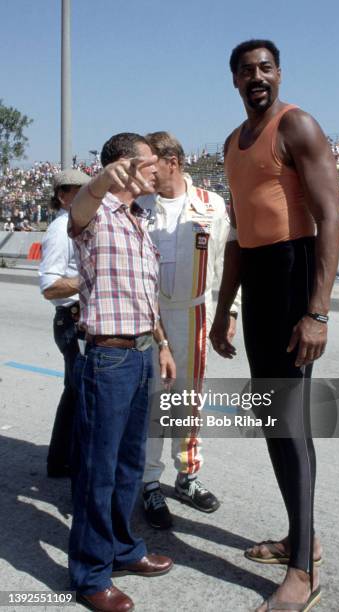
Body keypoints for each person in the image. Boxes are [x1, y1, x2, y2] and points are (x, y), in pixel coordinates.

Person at [210, 40, 339, 611]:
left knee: (290, 423)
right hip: (260, 280)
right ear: (234, 81)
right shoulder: (232, 144)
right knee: (273, 419)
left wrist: (316, 311)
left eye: (265, 68)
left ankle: (303, 571)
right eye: (246, 70)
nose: (256, 76)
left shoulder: (298, 126)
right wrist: (223, 309)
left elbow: (332, 216)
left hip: (295, 273)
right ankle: (300, 536)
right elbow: (239, 235)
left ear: (279, 74)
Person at [68, 133, 175, 612]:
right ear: (127, 167)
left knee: (130, 464)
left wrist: (164, 345)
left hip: (142, 354)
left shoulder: (138, 221)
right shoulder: (96, 216)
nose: (158, 170)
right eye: (151, 163)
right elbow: (80, 210)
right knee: (98, 471)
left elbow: (144, 295)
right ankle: (91, 575)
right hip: (108, 359)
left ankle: (124, 549)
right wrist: (99, 183)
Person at [137, 131, 239, 528]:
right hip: (151, 316)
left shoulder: (210, 205)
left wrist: (230, 313)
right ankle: (148, 482)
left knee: (189, 400)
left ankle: (188, 476)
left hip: (196, 314)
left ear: (173, 162)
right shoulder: (140, 207)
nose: (145, 172)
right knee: (153, 401)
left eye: (150, 164)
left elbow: (224, 265)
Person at [39, 169, 90, 478]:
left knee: (74, 391)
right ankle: (65, 461)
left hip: (77, 318)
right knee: (79, 391)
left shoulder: (75, 224)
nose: (87, 194)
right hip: (71, 319)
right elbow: (50, 286)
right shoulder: (60, 229)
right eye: (80, 190)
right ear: (63, 195)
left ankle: (60, 461)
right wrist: (90, 278)